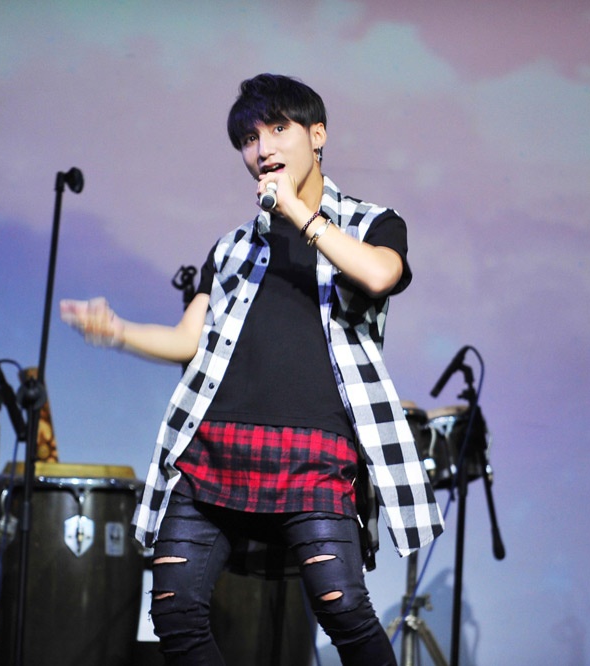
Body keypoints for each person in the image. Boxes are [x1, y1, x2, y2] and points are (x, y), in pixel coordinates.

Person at [60, 73, 443, 666]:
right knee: (174, 610)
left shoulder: (371, 223)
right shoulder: (233, 247)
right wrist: (119, 331)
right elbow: (188, 339)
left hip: (315, 454)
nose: (262, 149)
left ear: (318, 135)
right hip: (214, 448)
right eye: (248, 139)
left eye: (278, 129)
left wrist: (299, 214)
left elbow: (379, 274)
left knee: (344, 608)